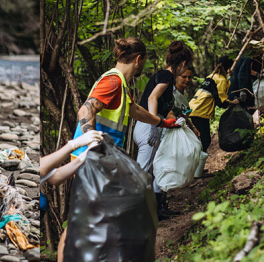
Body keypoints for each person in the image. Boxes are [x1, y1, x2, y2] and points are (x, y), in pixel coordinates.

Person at [57, 38, 179, 262]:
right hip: (93, 158)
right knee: (84, 217)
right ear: (139, 59)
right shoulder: (113, 81)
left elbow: (135, 110)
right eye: (144, 62)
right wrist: (93, 150)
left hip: (104, 158)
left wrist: (162, 122)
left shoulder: (120, 83)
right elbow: (85, 112)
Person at [133, 41, 193, 221]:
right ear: (182, 64)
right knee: (142, 171)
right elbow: (152, 98)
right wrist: (154, 124)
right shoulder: (167, 76)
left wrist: (172, 119)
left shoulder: (165, 76)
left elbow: (164, 105)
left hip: (152, 126)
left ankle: (159, 208)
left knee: (158, 165)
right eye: (187, 66)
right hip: (147, 128)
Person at [190, 56, 239, 153]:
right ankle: (197, 166)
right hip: (200, 111)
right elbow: (222, 102)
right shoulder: (222, 80)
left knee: (197, 138)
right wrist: (235, 102)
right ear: (229, 68)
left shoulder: (211, 76)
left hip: (193, 107)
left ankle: (196, 165)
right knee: (205, 140)